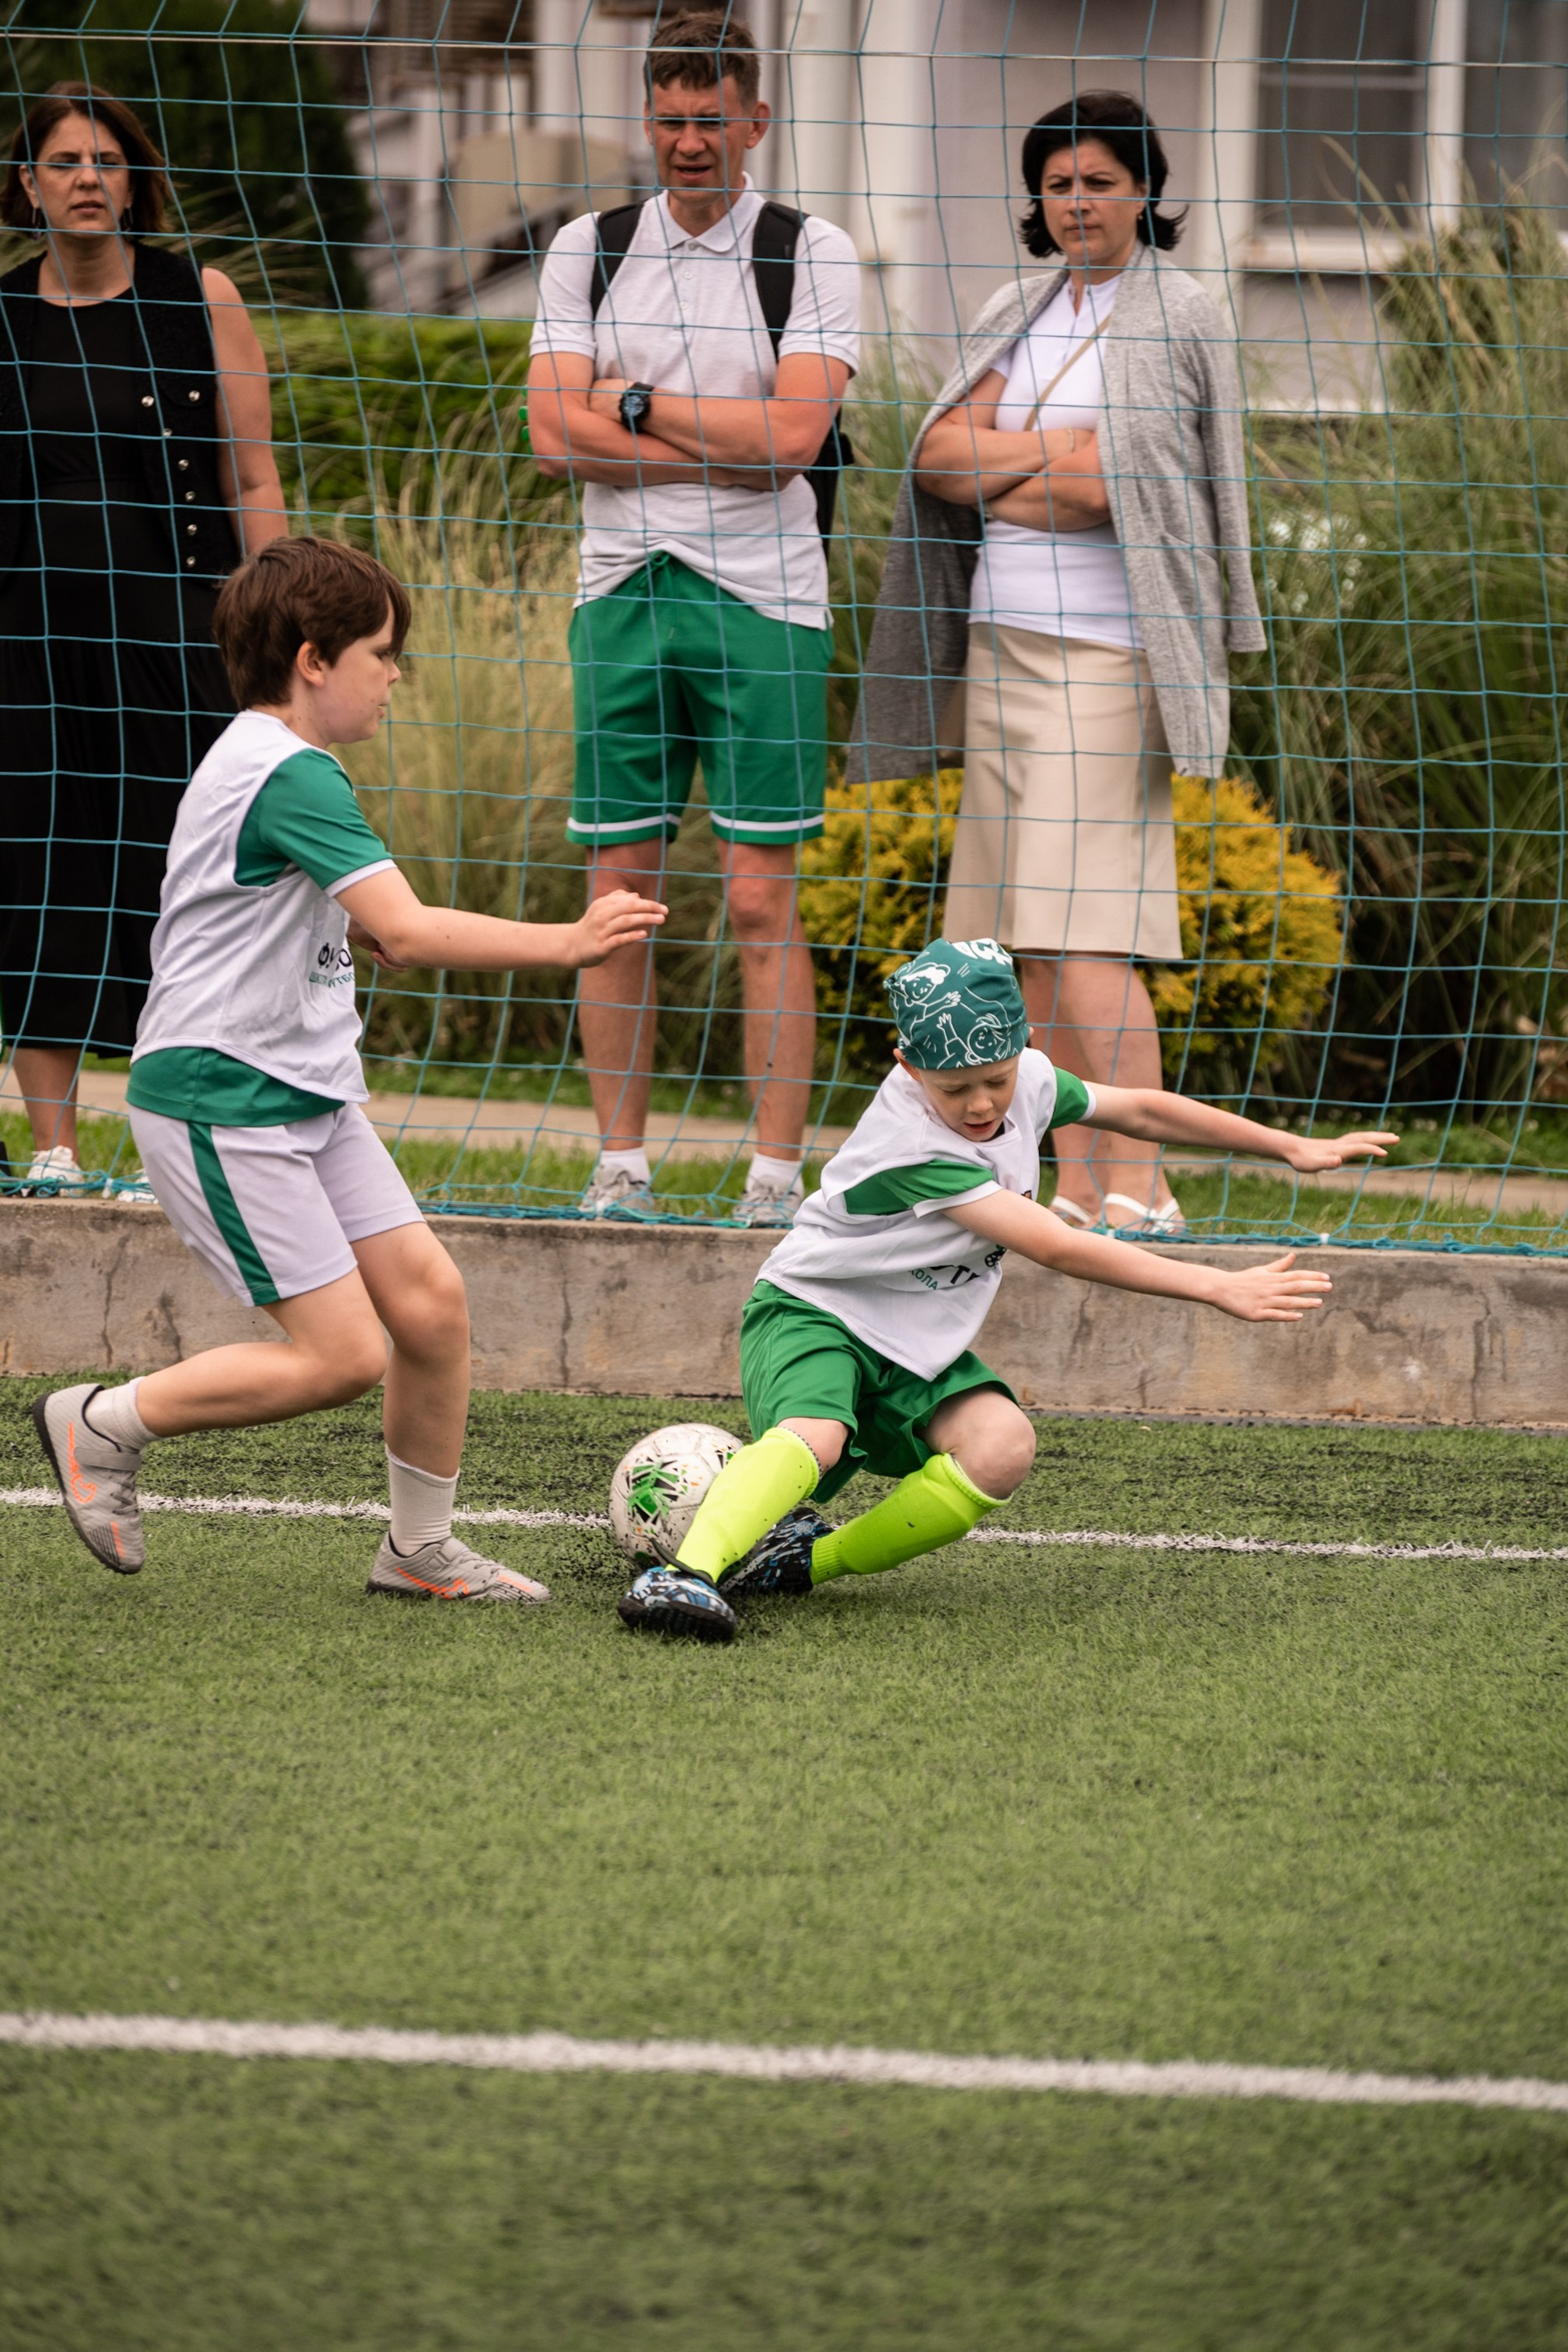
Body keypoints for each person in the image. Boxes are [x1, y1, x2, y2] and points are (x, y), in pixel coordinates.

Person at [31, 537, 665, 1601]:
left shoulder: (265, 760)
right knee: (338, 1357)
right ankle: (99, 1422)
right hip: (220, 1099)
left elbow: (316, 916)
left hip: (301, 1090)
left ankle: (417, 1550)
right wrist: (569, 941)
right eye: (383, 652)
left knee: (429, 1305)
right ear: (314, 658)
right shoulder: (289, 770)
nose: (397, 676)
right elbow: (408, 933)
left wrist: (342, 929)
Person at [616, 937, 1394, 1644]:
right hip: (816, 1312)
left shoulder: (1028, 1078)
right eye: (955, 1090)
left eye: (996, 1080)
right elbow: (1057, 1244)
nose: (983, 1104)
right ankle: (684, 1574)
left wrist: (1289, 1145)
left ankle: (803, 1562)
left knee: (1003, 1447)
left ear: (1022, 1047)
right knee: (817, 1435)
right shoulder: (911, 1144)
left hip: (916, 1338)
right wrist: (1217, 1287)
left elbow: (1143, 1108)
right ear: (906, 1064)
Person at [849, 93, 1265, 1237]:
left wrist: (1024, 471)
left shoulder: (1183, 312)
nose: (1077, 202)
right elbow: (936, 459)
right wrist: (1054, 459)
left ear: (1146, 189)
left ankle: (1146, 1183)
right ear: (1037, 200)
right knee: (1017, 944)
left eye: (1099, 181)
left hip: (1111, 660)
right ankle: (1067, 1186)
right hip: (1000, 653)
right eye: (1058, 184)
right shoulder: (1012, 307)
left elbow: (1135, 488)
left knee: (1093, 938)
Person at [526, 9, 859, 1227]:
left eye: (710, 120)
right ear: (647, 119)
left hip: (766, 603)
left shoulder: (809, 250)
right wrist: (698, 437)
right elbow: (551, 439)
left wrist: (633, 406)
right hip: (619, 596)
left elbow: (791, 444)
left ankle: (777, 1177)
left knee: (763, 897)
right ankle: (621, 1164)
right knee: (619, 892)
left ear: (755, 120)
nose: (688, 143)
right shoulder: (588, 246)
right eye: (668, 120)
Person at [0, 82, 287, 1193]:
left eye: (105, 161)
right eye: (62, 161)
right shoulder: (2, 316)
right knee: (41, 876)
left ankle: (203, 1134)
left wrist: (272, 629)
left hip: (186, 643)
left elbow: (250, 473)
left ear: (135, 180)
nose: (85, 178)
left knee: (191, 875)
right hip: (31, 651)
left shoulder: (194, 298)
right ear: (27, 186)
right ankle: (56, 1149)